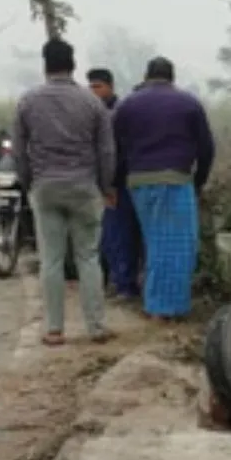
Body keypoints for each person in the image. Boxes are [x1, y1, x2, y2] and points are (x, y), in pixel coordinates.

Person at [12, 39, 116, 346]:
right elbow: (107, 151)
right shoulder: (91, 103)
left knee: (52, 260)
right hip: (84, 187)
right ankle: (96, 327)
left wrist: (29, 181)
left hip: (45, 187)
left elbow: (19, 151)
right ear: (73, 65)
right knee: (88, 257)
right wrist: (106, 185)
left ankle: (54, 329)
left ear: (45, 65)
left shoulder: (28, 101)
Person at [112, 57, 215, 321]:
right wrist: (199, 181)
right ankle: (165, 308)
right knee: (177, 245)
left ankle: (158, 303)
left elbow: (115, 149)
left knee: (154, 240)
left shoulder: (127, 105)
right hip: (175, 180)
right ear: (172, 77)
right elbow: (206, 148)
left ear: (146, 76)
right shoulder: (188, 104)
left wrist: (114, 182)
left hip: (138, 183)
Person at [87, 68, 143, 300]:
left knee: (121, 235)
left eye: (98, 86)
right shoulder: (91, 112)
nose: (94, 92)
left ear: (110, 87)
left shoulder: (120, 112)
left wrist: (112, 183)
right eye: (91, 87)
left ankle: (126, 285)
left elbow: (118, 152)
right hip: (103, 183)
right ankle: (117, 281)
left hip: (122, 182)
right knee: (110, 237)